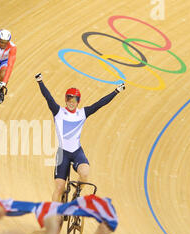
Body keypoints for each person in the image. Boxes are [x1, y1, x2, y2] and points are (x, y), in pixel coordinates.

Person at [35, 73, 126, 202]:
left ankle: (76, 194)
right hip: (63, 154)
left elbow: (99, 104)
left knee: (84, 173)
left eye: (74, 100)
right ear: (66, 100)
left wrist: (116, 91)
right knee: (59, 188)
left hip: (77, 152)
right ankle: (55, 215)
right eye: (69, 100)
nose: (72, 103)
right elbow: (48, 97)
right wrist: (40, 82)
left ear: (78, 101)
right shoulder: (58, 112)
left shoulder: (82, 113)